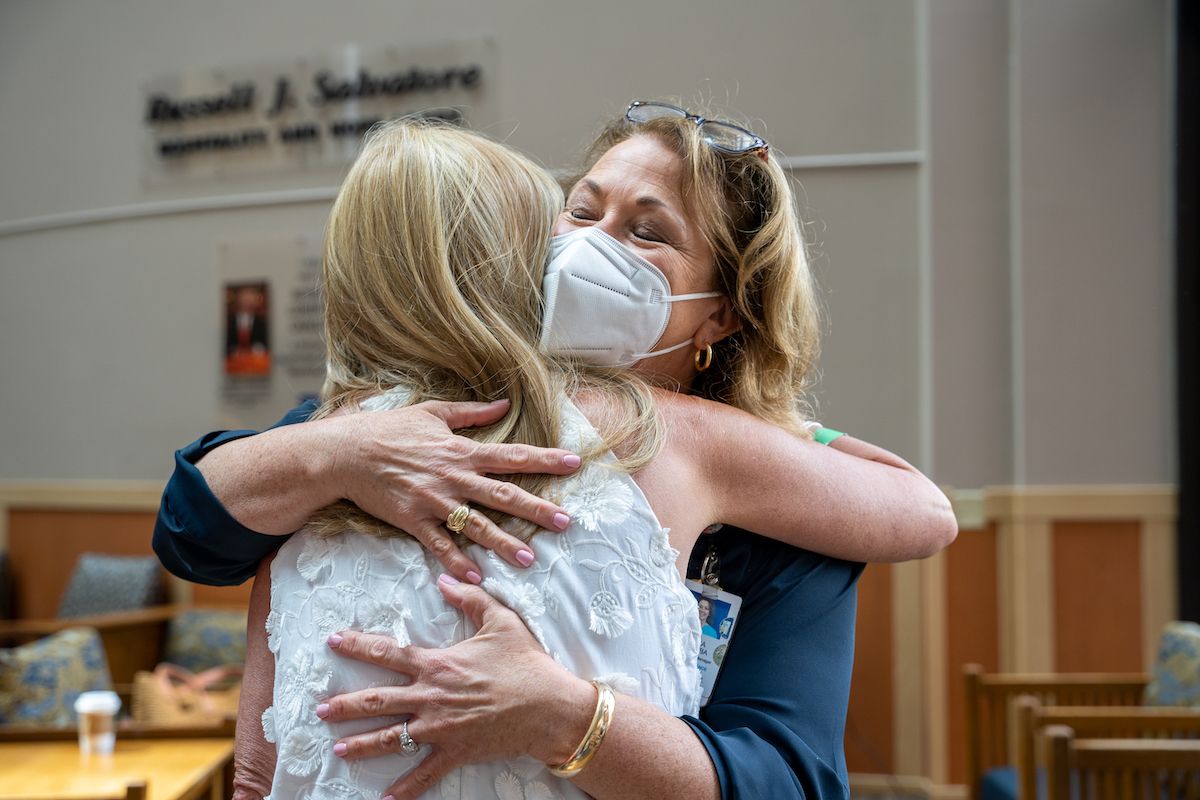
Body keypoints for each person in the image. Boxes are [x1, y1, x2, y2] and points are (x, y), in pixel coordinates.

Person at [155, 101, 957, 799]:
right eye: (580, 212)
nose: (589, 248)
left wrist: (568, 717)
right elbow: (192, 530)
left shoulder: (774, 497)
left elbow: (791, 782)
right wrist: (337, 454)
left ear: (719, 316)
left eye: (645, 232)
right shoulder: (404, 421)